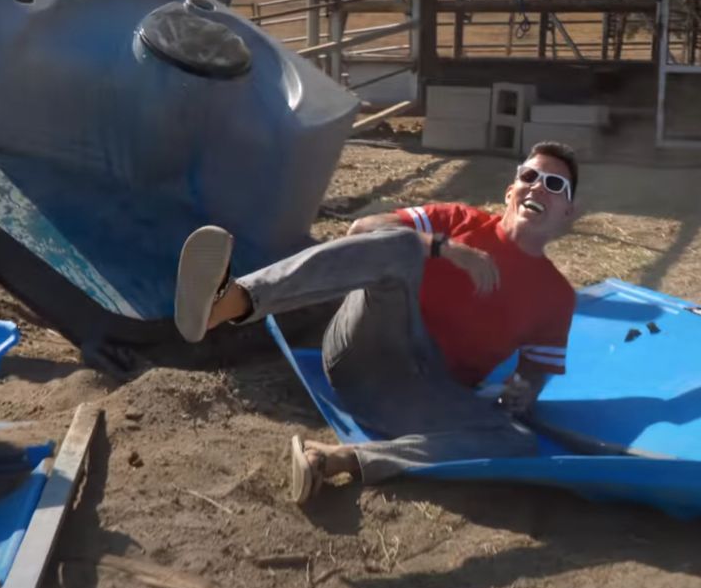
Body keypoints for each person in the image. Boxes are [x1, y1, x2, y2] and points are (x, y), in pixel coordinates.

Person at [174, 141, 581, 503]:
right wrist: (442, 247)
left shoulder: (558, 296)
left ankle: (337, 460)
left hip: (416, 398)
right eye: (530, 176)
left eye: (555, 184)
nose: (538, 187)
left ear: (568, 214)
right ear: (510, 192)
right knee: (401, 244)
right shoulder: (459, 221)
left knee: (517, 441)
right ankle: (232, 301)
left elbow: (535, 373)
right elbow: (363, 229)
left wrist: (522, 391)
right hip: (364, 349)